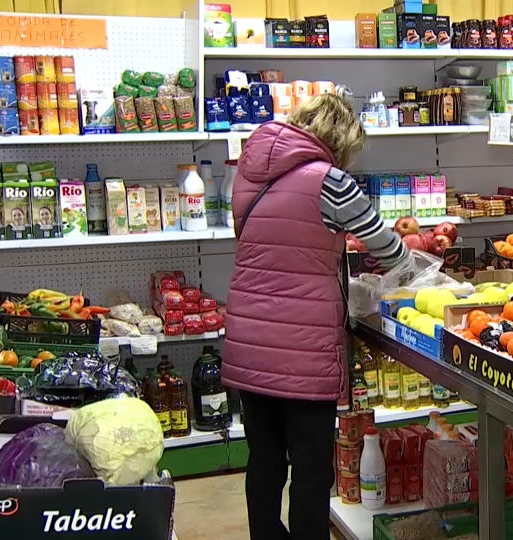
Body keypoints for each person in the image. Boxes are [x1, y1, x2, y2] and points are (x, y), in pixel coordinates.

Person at [223, 93, 408, 540]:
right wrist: (408, 267)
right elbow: (389, 249)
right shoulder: (330, 181)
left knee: (264, 460)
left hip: (248, 340)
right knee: (310, 469)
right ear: (340, 140)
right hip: (303, 351)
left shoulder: (249, 172)